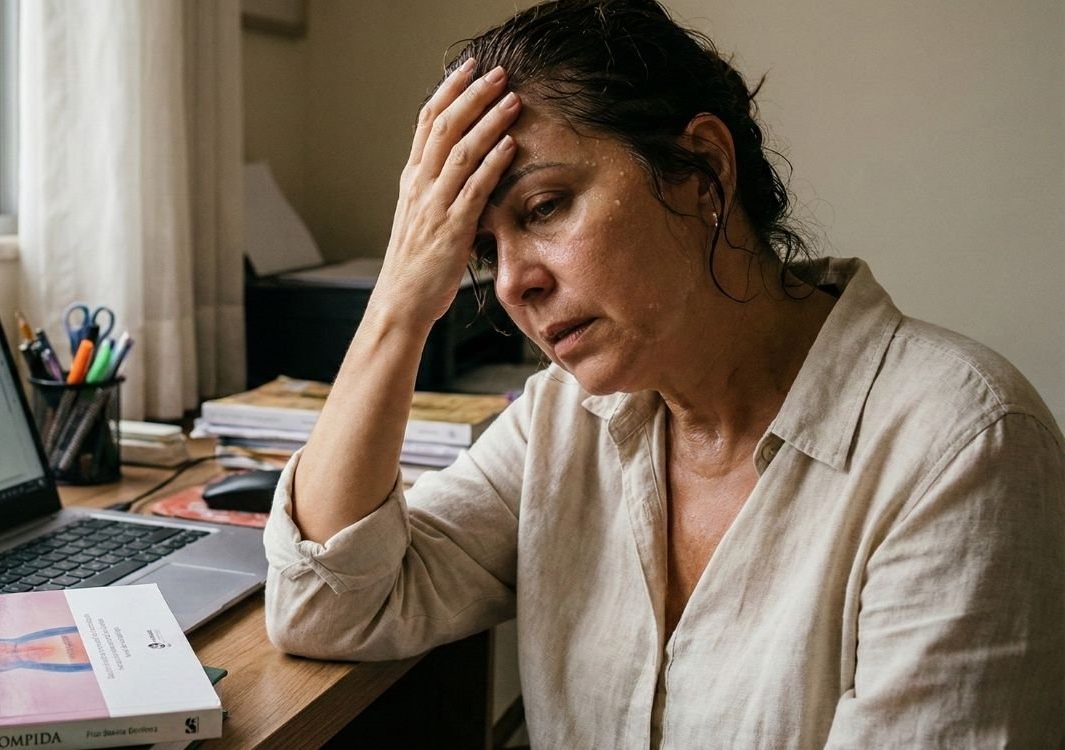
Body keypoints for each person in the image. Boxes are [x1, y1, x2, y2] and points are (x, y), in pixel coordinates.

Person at [261, 0, 1065, 746]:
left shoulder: (963, 450)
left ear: (703, 170)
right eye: (484, 249)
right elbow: (329, 606)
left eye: (544, 208)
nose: (511, 284)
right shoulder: (561, 422)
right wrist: (400, 302)